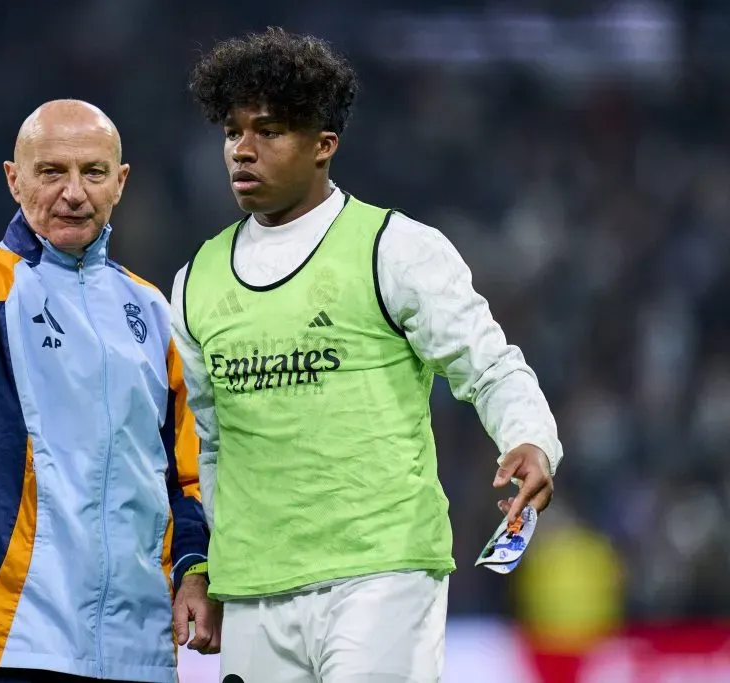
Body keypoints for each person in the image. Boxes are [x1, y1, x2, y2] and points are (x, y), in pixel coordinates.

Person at [171, 28, 563, 683]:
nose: (242, 149)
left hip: (379, 571)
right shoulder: (195, 282)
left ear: (324, 145)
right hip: (254, 586)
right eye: (232, 131)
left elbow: (490, 363)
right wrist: (205, 566)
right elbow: (207, 445)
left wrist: (530, 438)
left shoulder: (397, 249)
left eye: (268, 131)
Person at [0, 99, 219, 683]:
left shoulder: (153, 312)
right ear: (14, 179)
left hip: (139, 646)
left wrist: (194, 570)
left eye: (93, 172)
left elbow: (185, 475)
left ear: (120, 182)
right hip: (17, 638)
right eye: (52, 172)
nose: (74, 192)